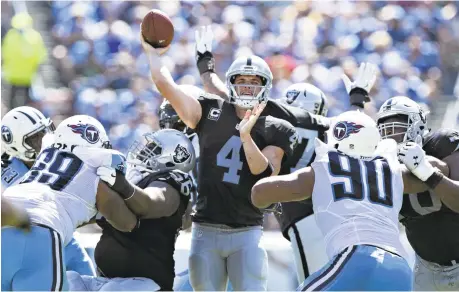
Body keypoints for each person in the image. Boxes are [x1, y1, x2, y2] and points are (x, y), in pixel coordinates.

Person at [195, 25, 379, 284]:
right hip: (329, 211)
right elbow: (352, 128)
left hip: (298, 210)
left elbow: (218, 90)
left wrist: (205, 64)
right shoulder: (321, 125)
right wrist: (357, 101)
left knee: (313, 281)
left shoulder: (273, 115)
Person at [140, 32, 298, 290]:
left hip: (247, 231)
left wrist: (246, 136)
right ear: (231, 83)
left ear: (265, 86)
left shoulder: (276, 127)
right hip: (205, 230)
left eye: (254, 81)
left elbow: (264, 173)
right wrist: (153, 55)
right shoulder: (210, 111)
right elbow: (166, 86)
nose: (247, 86)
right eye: (242, 80)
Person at [251, 110, 447, 291]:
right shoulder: (393, 169)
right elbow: (441, 169)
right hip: (400, 267)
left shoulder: (324, 167)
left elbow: (259, 193)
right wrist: (422, 166)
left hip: (356, 257)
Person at [1, 115, 138, 291]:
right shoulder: (99, 167)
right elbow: (127, 223)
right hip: (41, 230)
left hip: (7, 220)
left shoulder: (45, 154)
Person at [93, 129, 197, 291]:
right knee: (69, 281)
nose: (143, 152)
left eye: (154, 148)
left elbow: (150, 203)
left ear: (174, 157)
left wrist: (120, 184)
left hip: (148, 283)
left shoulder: (173, 180)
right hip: (109, 279)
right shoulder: (137, 180)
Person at [1, 106, 97, 277]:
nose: (43, 141)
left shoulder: (60, 155)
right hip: (25, 243)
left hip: (62, 236)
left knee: (85, 277)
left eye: (44, 133)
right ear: (14, 146)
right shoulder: (7, 174)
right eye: (34, 138)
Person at [377, 96, 459, 291]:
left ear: (417, 126)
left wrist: (428, 174)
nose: (390, 136)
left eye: (396, 128)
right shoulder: (382, 165)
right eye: (384, 131)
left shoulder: (442, 144)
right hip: (426, 268)